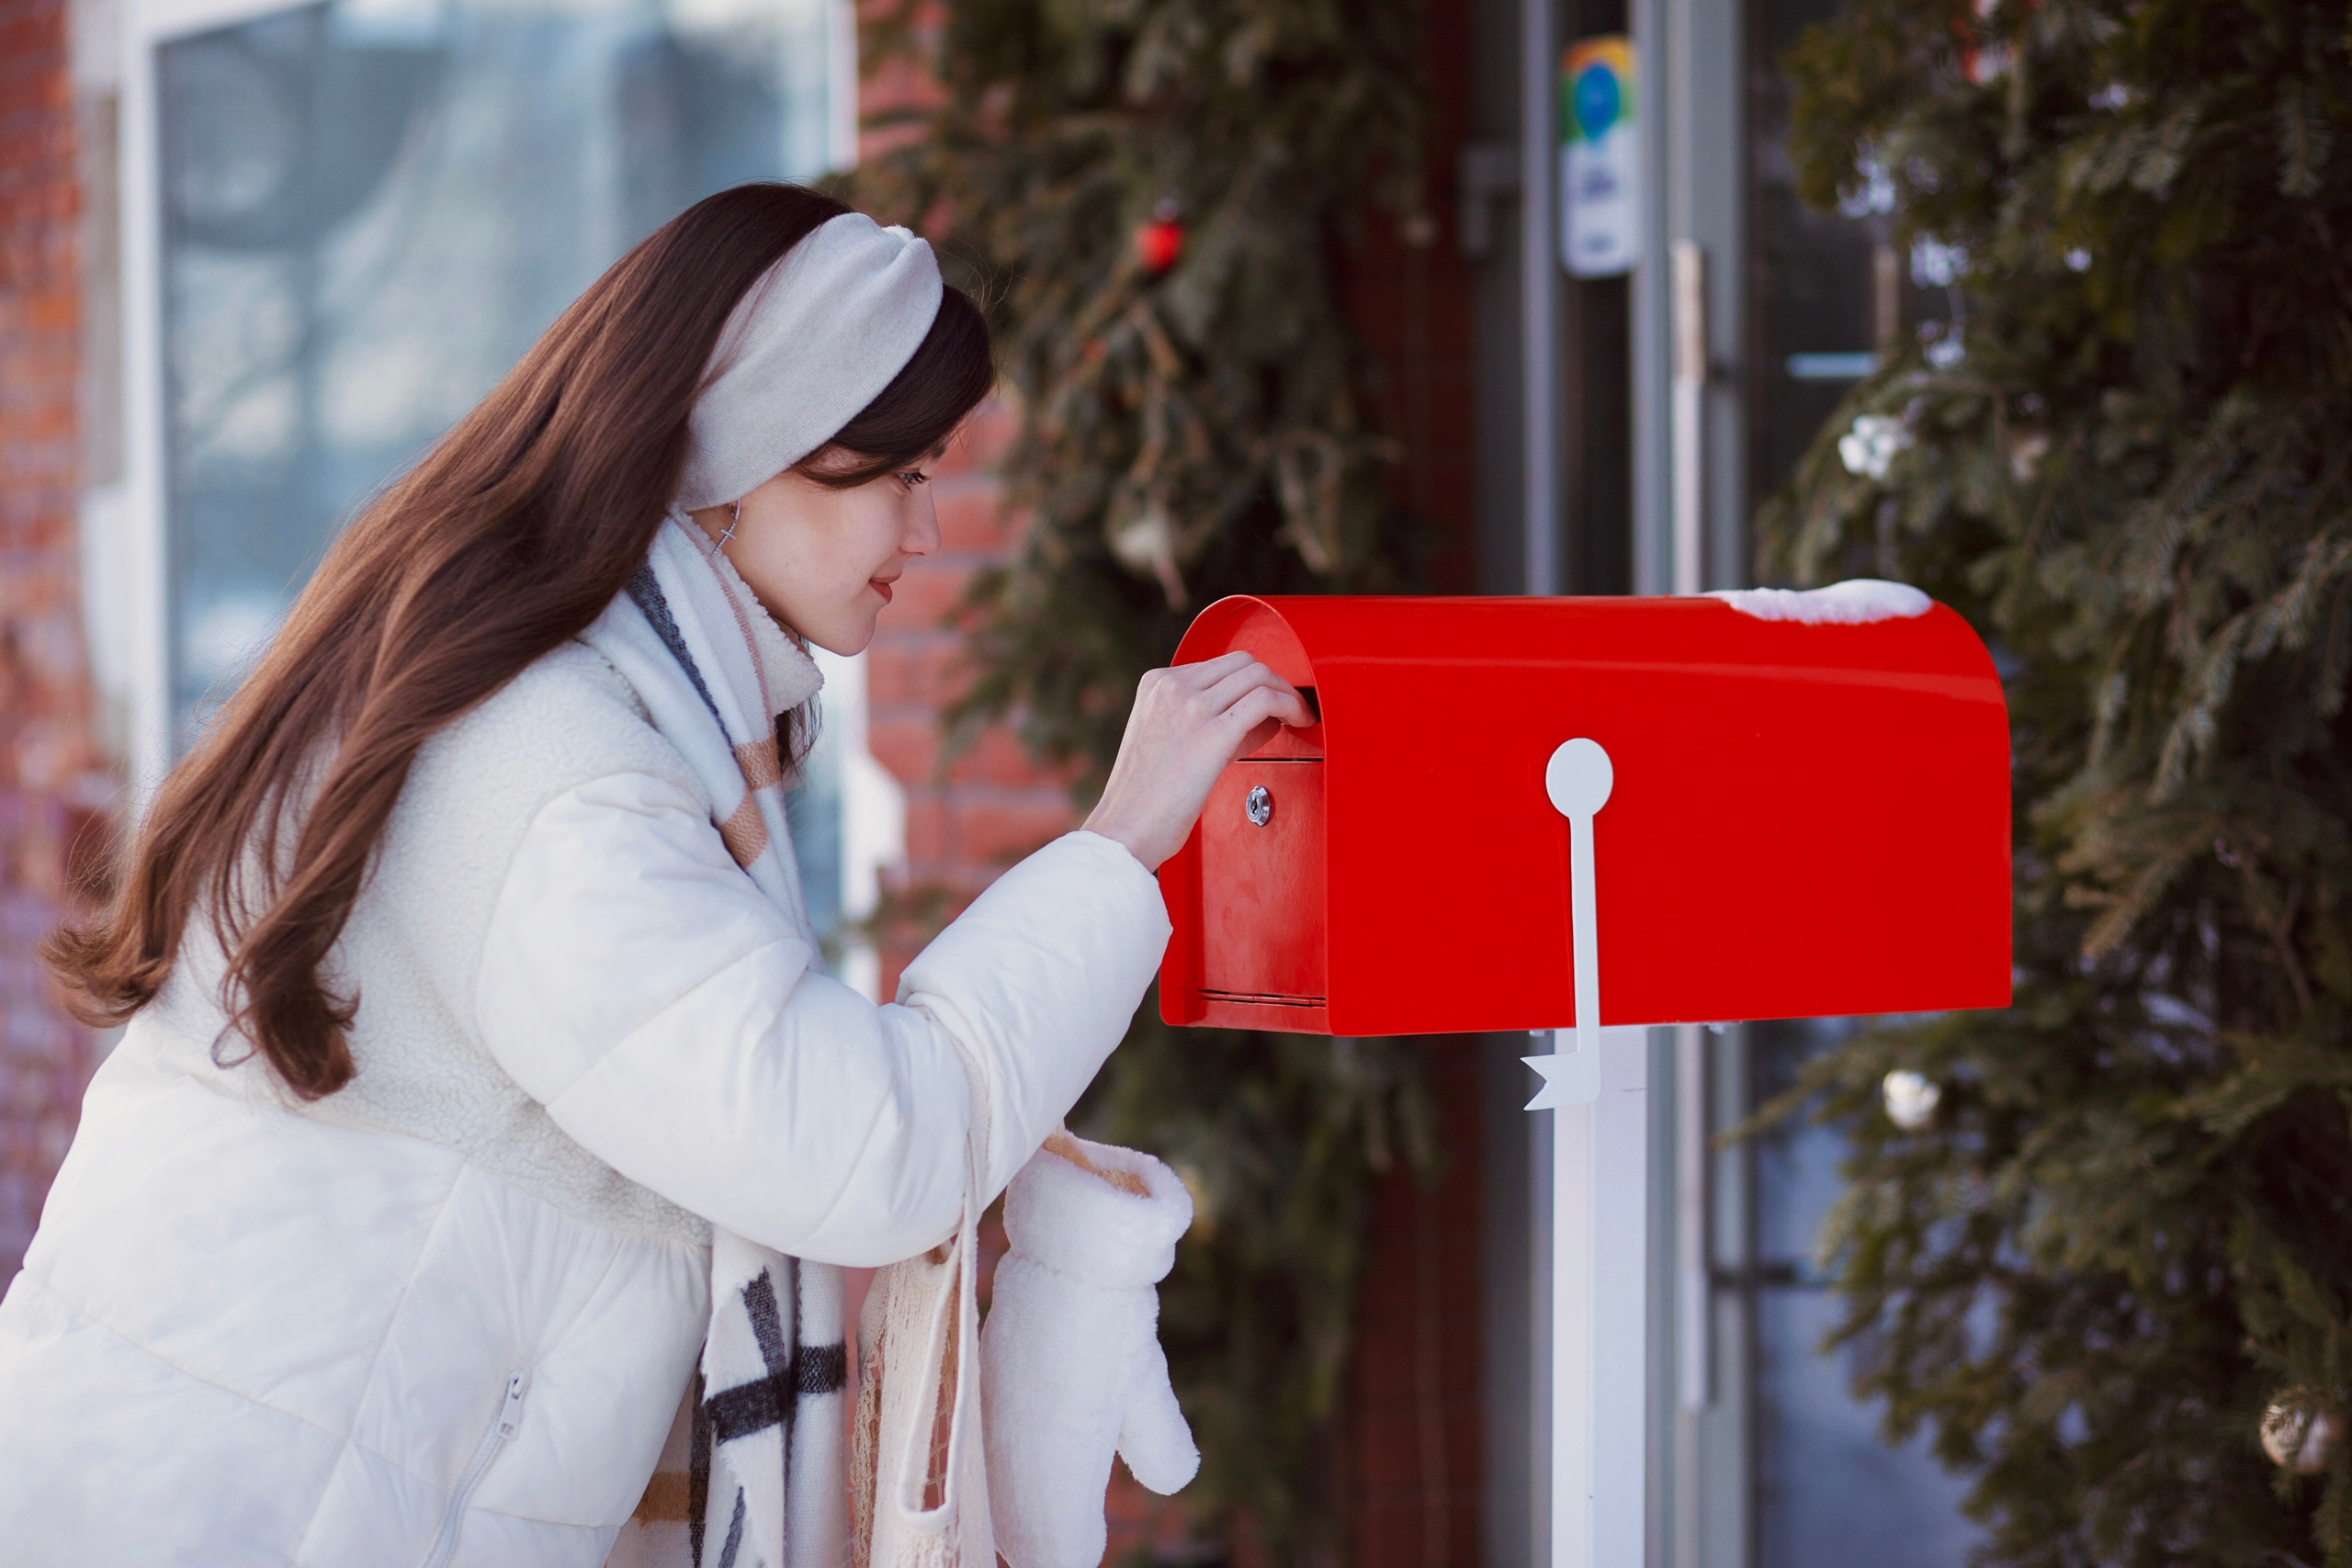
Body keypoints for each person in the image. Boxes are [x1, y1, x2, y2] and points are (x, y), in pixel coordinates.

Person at [0, 183, 1307, 1566]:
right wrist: (1115, 850)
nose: (925, 535)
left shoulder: (585, 714)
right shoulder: (552, 767)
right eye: (904, 477)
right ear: (746, 461)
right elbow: (868, 1150)